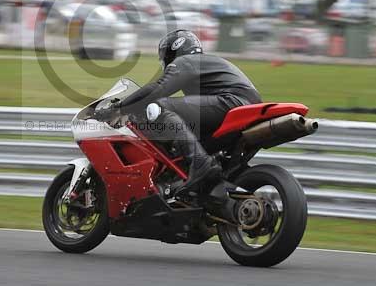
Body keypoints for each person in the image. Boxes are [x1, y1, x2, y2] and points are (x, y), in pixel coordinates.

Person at [95, 29, 262, 194]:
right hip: (245, 105)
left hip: (233, 102)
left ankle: (200, 163)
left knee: (158, 107)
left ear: (173, 51)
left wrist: (120, 107)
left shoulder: (187, 61)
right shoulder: (207, 64)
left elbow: (159, 88)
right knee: (194, 136)